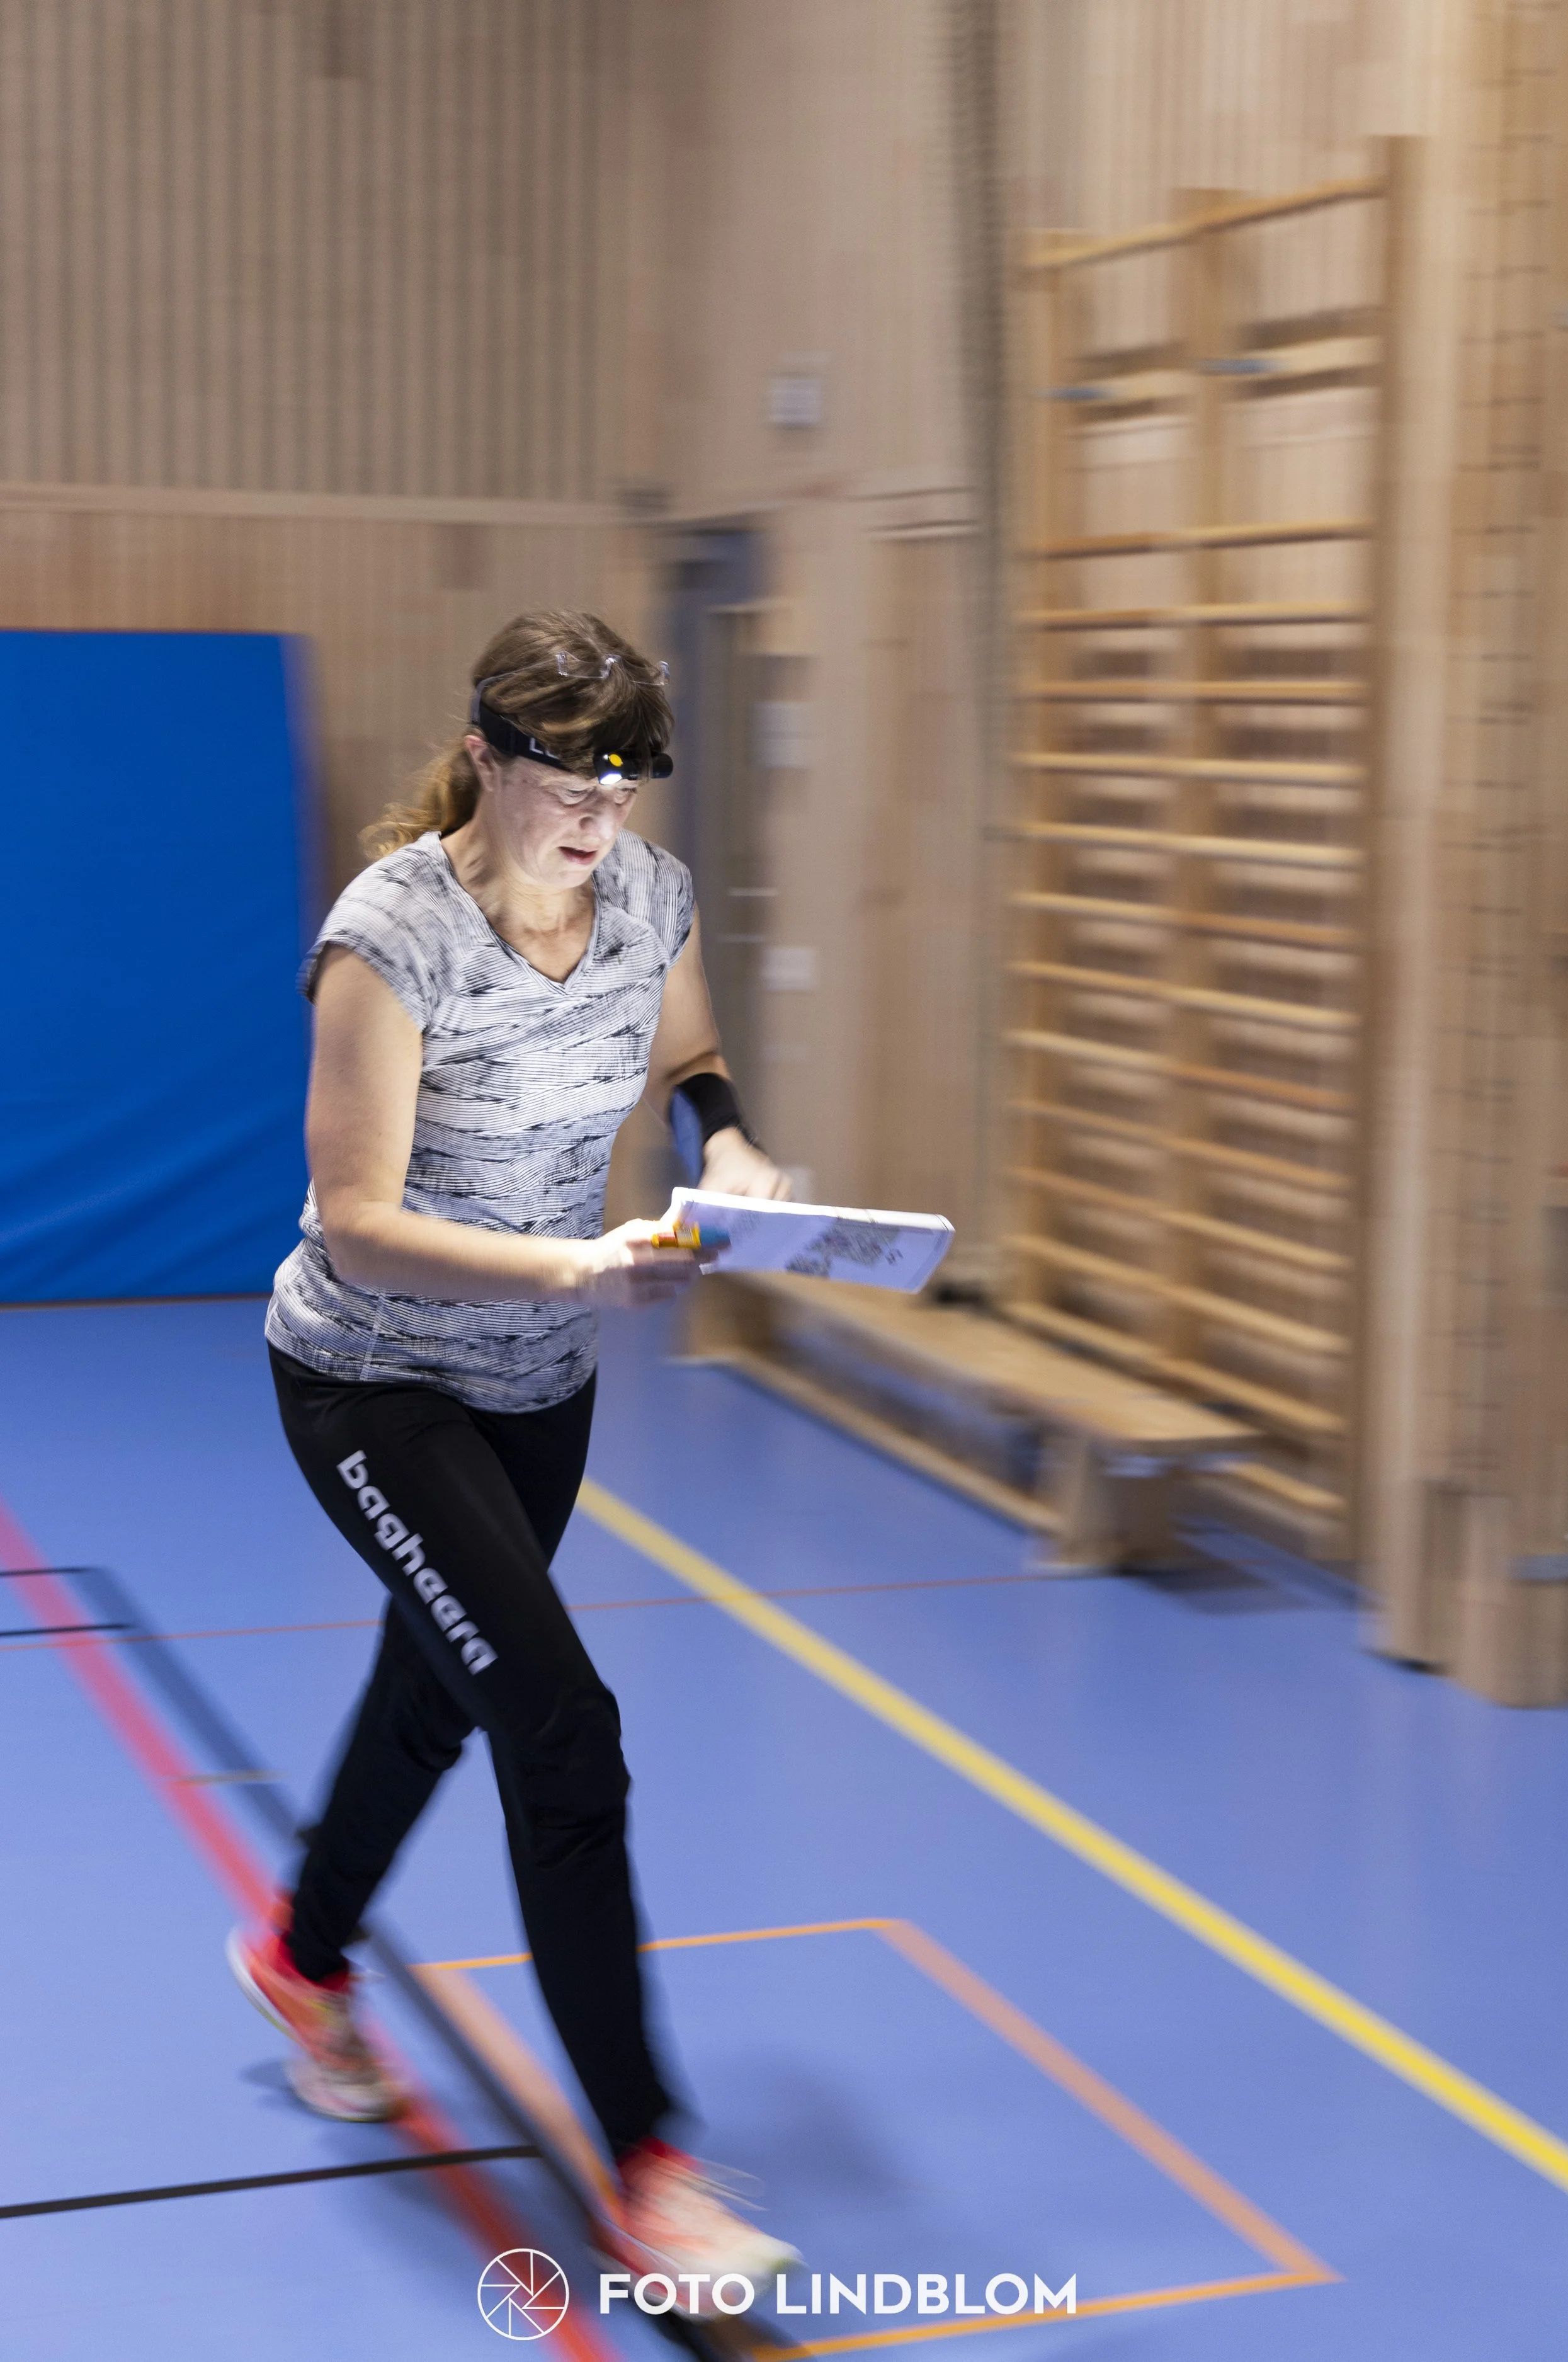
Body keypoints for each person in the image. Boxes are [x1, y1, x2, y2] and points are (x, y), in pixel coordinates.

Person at [229, 609, 798, 2288]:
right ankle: (650, 2164)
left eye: (626, 787)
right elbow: (359, 1222)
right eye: (570, 781)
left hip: (541, 1384)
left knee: (438, 1689)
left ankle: (299, 1961)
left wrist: (727, 1140)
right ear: (487, 756)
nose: (600, 818)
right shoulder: (388, 937)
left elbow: (688, 1050)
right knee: (557, 1725)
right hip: (375, 1383)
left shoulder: (648, 894)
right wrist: (576, 1266)